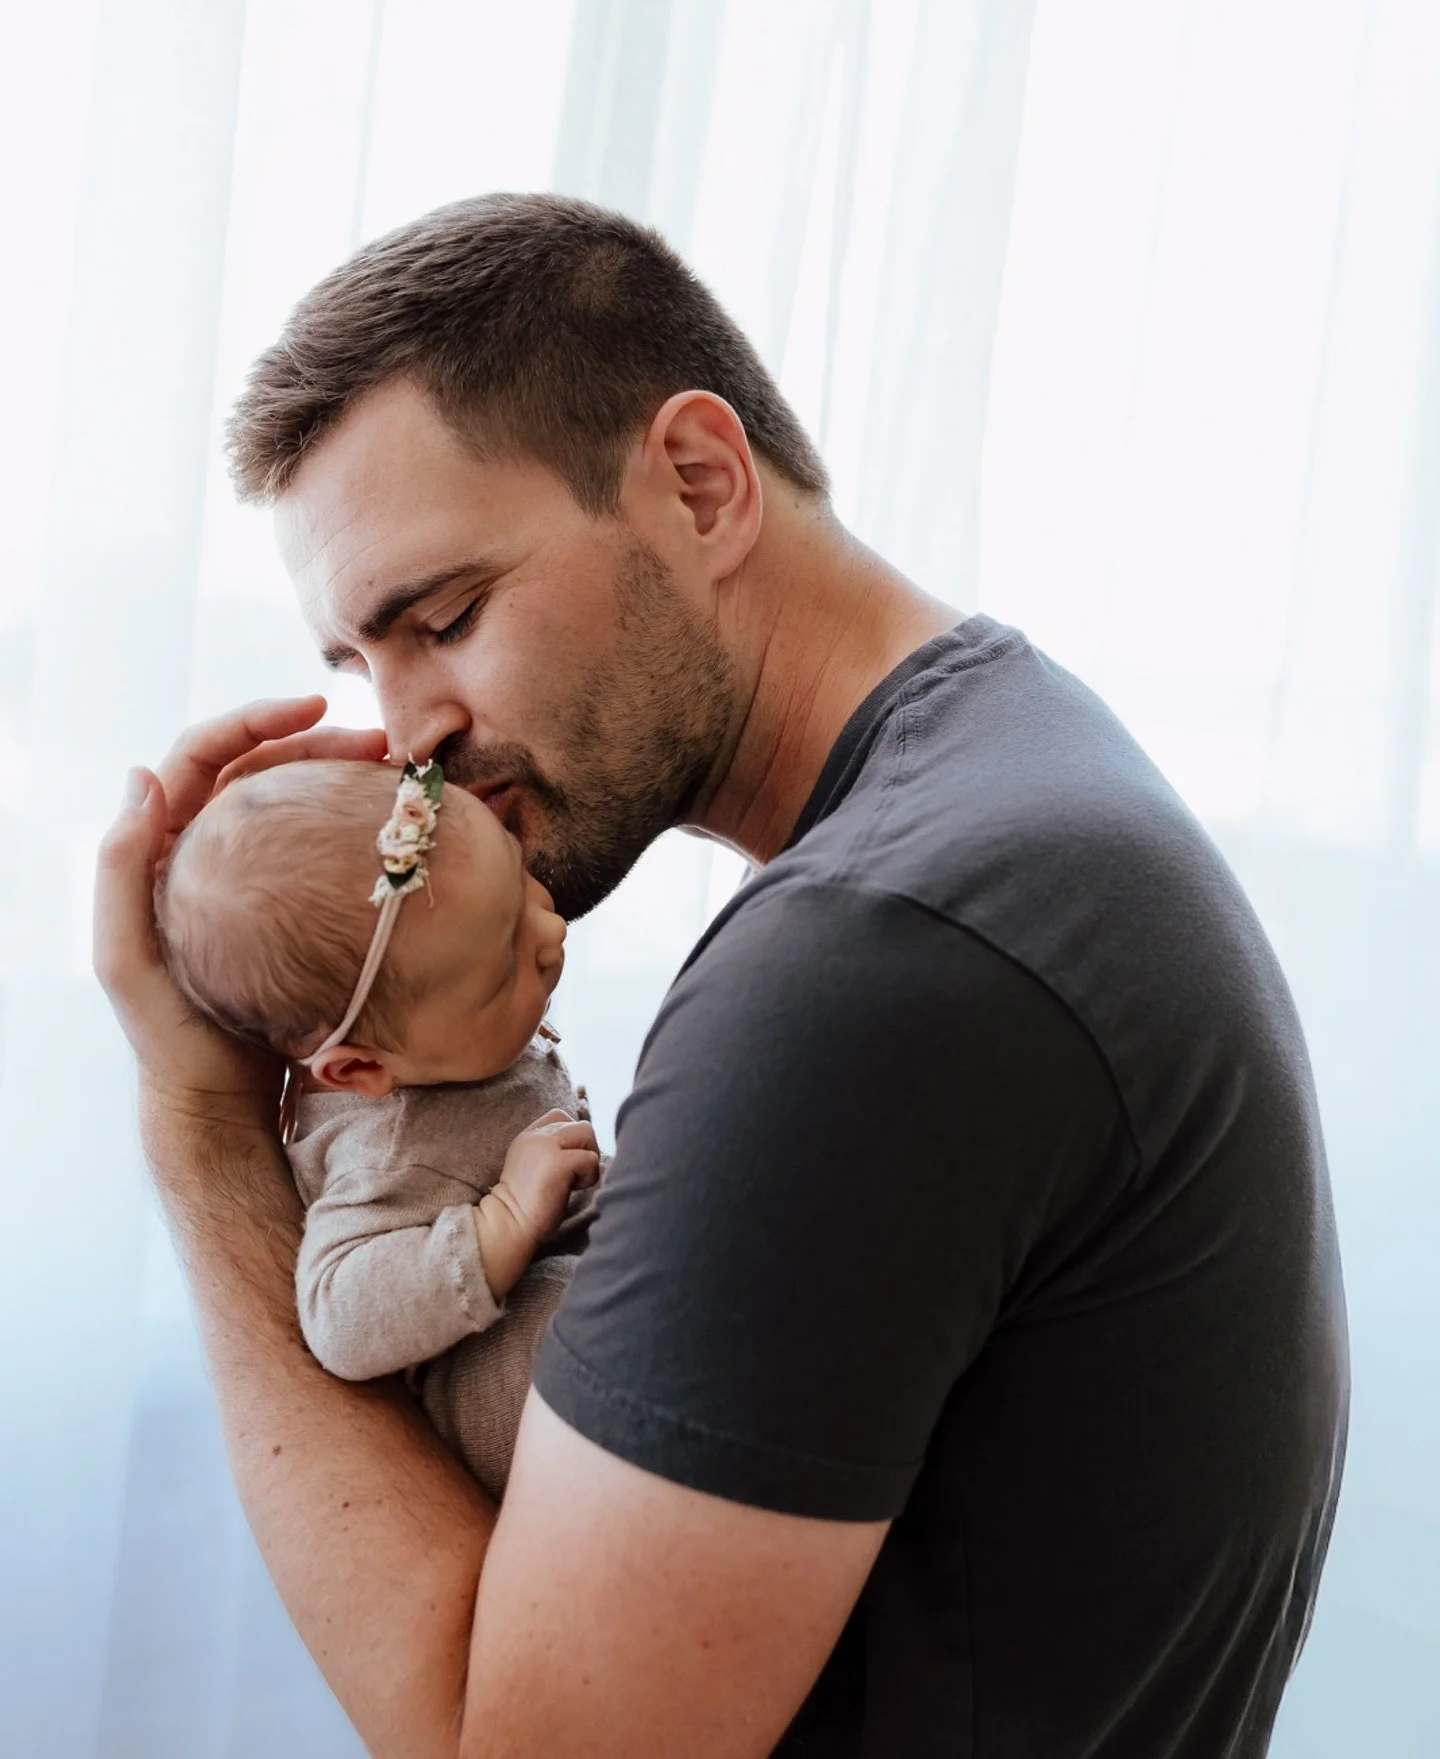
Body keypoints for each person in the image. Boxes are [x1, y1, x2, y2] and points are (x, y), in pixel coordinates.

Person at [95, 193, 1348, 1757]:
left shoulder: (869, 966)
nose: (405, 734)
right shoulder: (1021, 788)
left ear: (699, 483)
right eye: (361, 666)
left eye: (446, 619)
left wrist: (204, 1125)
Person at [155, 756, 603, 1498]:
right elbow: (337, 1314)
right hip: (506, 1381)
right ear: (361, 1072)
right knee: (572, 1301)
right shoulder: (385, 1150)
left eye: (518, 879)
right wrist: (504, 1220)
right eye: (502, 970)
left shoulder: (438, 1040)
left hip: (589, 1252)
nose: (552, 930)